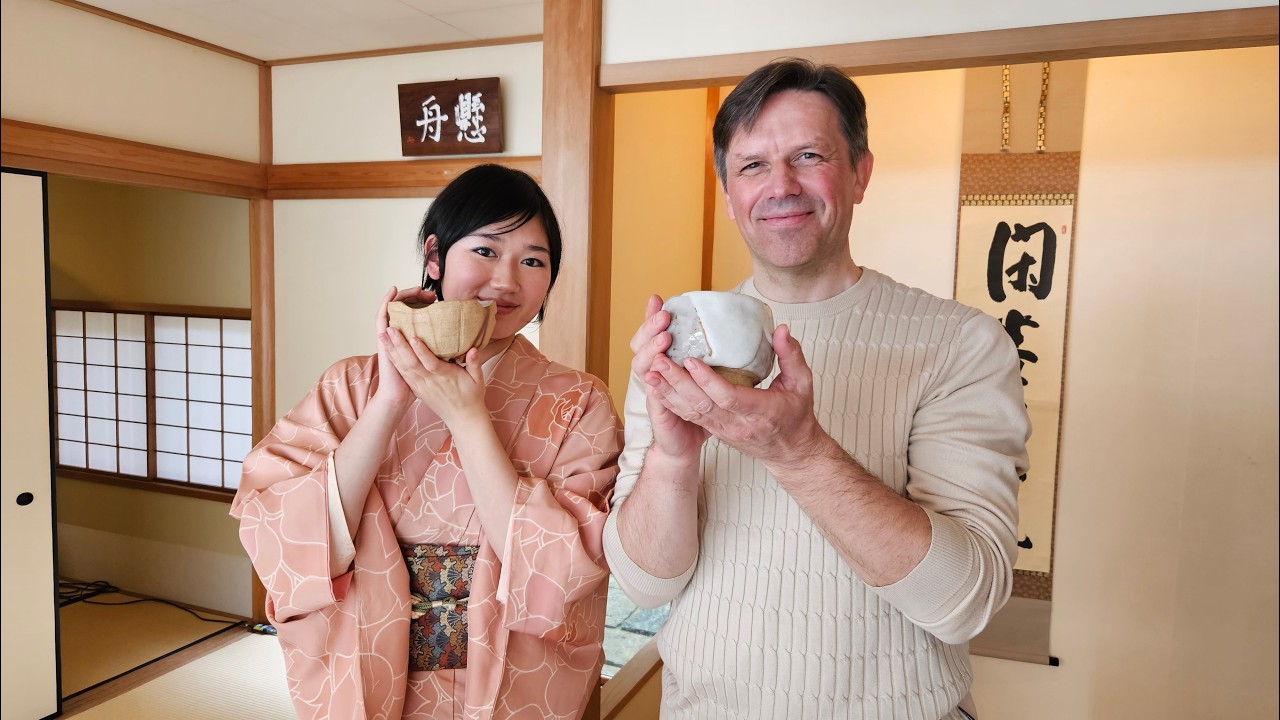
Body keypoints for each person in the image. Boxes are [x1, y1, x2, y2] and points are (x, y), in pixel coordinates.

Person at [602, 59, 1031, 719]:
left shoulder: (959, 344)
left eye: (809, 156)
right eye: (751, 166)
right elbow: (646, 583)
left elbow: (964, 601)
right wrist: (672, 458)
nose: (781, 185)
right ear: (727, 190)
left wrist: (796, 450)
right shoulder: (681, 347)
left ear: (860, 173)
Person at [232, 164, 623, 720]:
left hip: (504, 677)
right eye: (485, 251)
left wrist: (468, 421)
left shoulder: (579, 401)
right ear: (435, 256)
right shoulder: (351, 385)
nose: (507, 280)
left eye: (532, 260)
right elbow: (281, 532)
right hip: (365, 664)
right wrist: (389, 402)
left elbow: (566, 571)